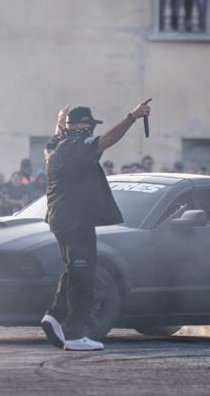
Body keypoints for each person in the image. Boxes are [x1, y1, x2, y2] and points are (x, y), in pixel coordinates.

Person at [41, 98, 152, 352]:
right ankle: (75, 334)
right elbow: (107, 140)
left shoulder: (56, 144)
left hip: (61, 219)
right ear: (82, 127)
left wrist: (59, 125)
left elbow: (57, 139)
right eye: (89, 125)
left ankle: (55, 315)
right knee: (83, 275)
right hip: (77, 220)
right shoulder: (75, 146)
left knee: (72, 270)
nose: (92, 129)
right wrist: (132, 117)